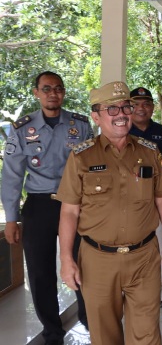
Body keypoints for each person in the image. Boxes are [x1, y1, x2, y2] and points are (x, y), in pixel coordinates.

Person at [57, 81, 162, 345]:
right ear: (96, 116)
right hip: (97, 260)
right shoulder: (81, 157)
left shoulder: (150, 152)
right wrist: (66, 259)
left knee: (147, 334)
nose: (121, 114)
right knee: (104, 335)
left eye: (125, 107)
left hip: (144, 257)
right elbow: (69, 212)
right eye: (111, 109)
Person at [1, 71, 92, 345]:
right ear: (36, 93)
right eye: (47, 88)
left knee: (84, 266)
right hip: (39, 205)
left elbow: (92, 169)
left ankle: (91, 321)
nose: (53, 93)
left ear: (63, 93)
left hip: (75, 204)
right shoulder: (21, 129)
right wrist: (11, 219)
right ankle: (53, 332)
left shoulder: (81, 126)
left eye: (58, 88)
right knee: (40, 273)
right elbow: (12, 176)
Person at [129, 86, 162, 306]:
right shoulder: (121, 130)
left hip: (157, 200)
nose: (141, 109)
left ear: (152, 107)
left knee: (159, 246)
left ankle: (157, 291)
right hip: (128, 202)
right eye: (136, 104)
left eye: (146, 104)